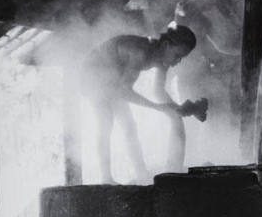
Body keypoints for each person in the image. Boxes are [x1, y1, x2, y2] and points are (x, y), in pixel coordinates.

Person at [82, 23, 208, 183]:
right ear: (166, 45)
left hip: (114, 79)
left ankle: (142, 173)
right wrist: (159, 108)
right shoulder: (140, 51)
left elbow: (159, 92)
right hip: (93, 73)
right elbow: (124, 90)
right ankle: (106, 177)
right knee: (106, 121)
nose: (178, 61)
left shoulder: (164, 60)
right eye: (177, 55)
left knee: (129, 126)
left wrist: (184, 109)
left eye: (182, 58)